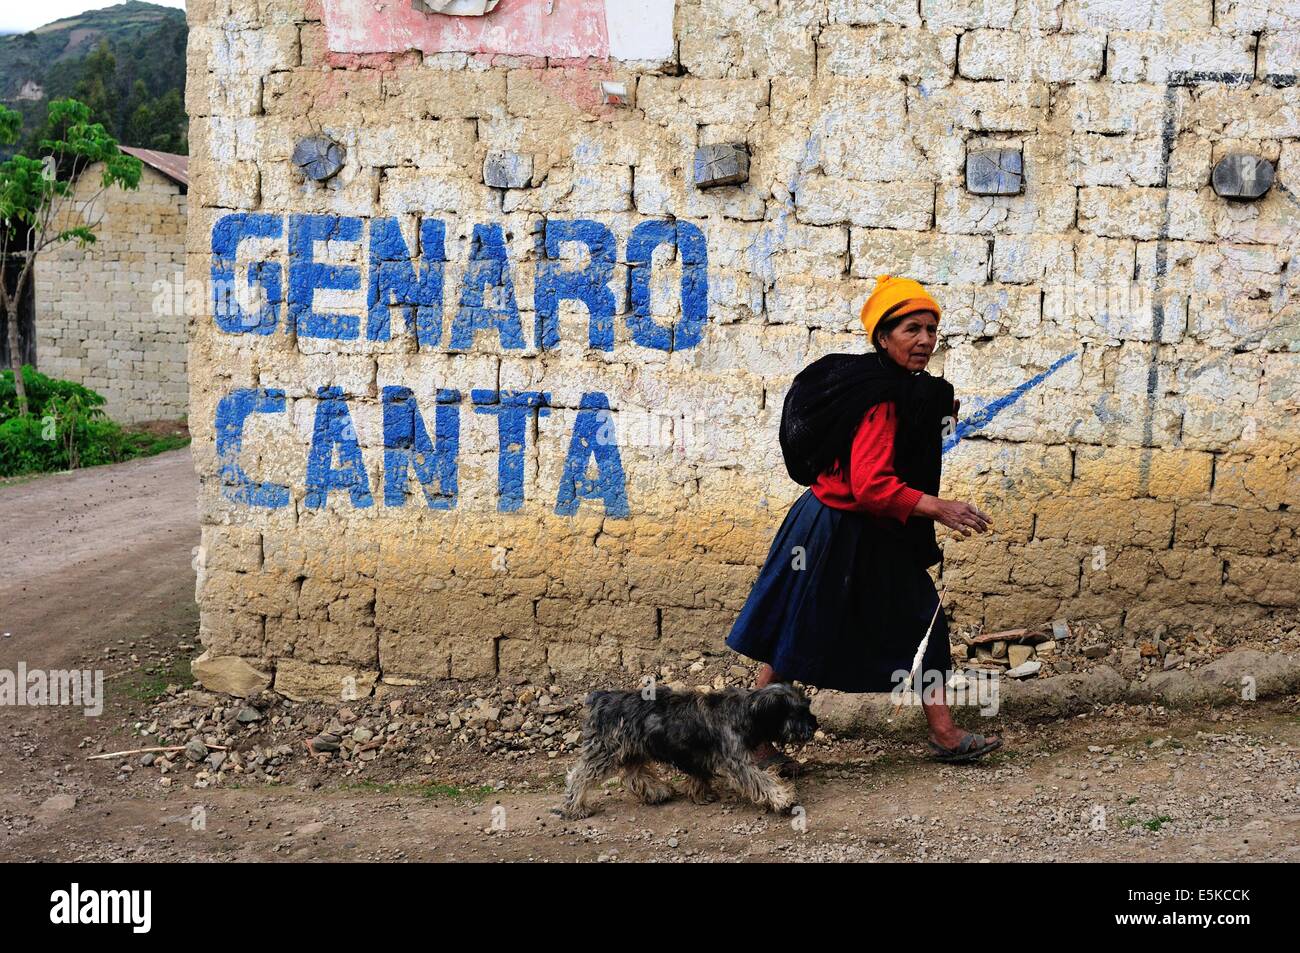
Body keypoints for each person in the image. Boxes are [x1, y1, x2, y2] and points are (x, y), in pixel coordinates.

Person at [725, 274, 1001, 776]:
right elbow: (873, 486)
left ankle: (944, 732)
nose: (923, 341)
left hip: (859, 529)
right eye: (911, 329)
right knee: (798, 634)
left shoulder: (887, 386)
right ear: (882, 337)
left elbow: (902, 439)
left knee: (920, 621)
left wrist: (935, 417)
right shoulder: (878, 399)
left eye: (931, 330)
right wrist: (942, 508)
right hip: (838, 530)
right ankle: (750, 738)